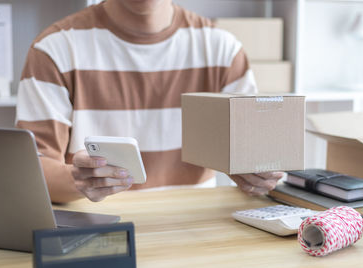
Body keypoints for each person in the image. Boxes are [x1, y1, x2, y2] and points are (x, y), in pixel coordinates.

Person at [16, 0, 283, 203]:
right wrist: (77, 180)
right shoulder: (54, 49)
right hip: (98, 231)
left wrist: (258, 172)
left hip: (196, 230)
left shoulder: (222, 49)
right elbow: (32, 170)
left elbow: (259, 154)